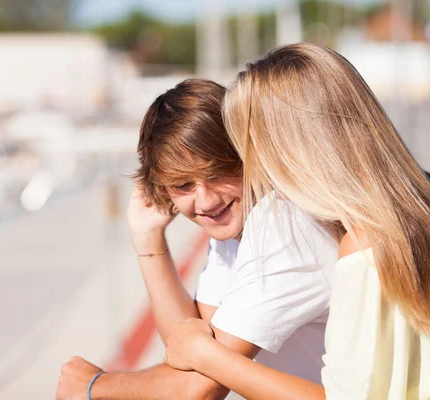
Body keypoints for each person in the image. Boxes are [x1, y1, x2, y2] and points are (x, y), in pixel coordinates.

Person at [163, 43, 430, 399]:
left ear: (292, 149)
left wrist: (206, 355)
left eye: (254, 149)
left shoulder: (364, 244)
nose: (257, 172)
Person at [56, 79, 339, 400]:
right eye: (183, 185)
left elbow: (199, 389)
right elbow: (187, 349)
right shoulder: (234, 230)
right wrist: (149, 239)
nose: (205, 201)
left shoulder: (286, 224)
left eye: (217, 172)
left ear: (248, 155)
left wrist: (94, 386)